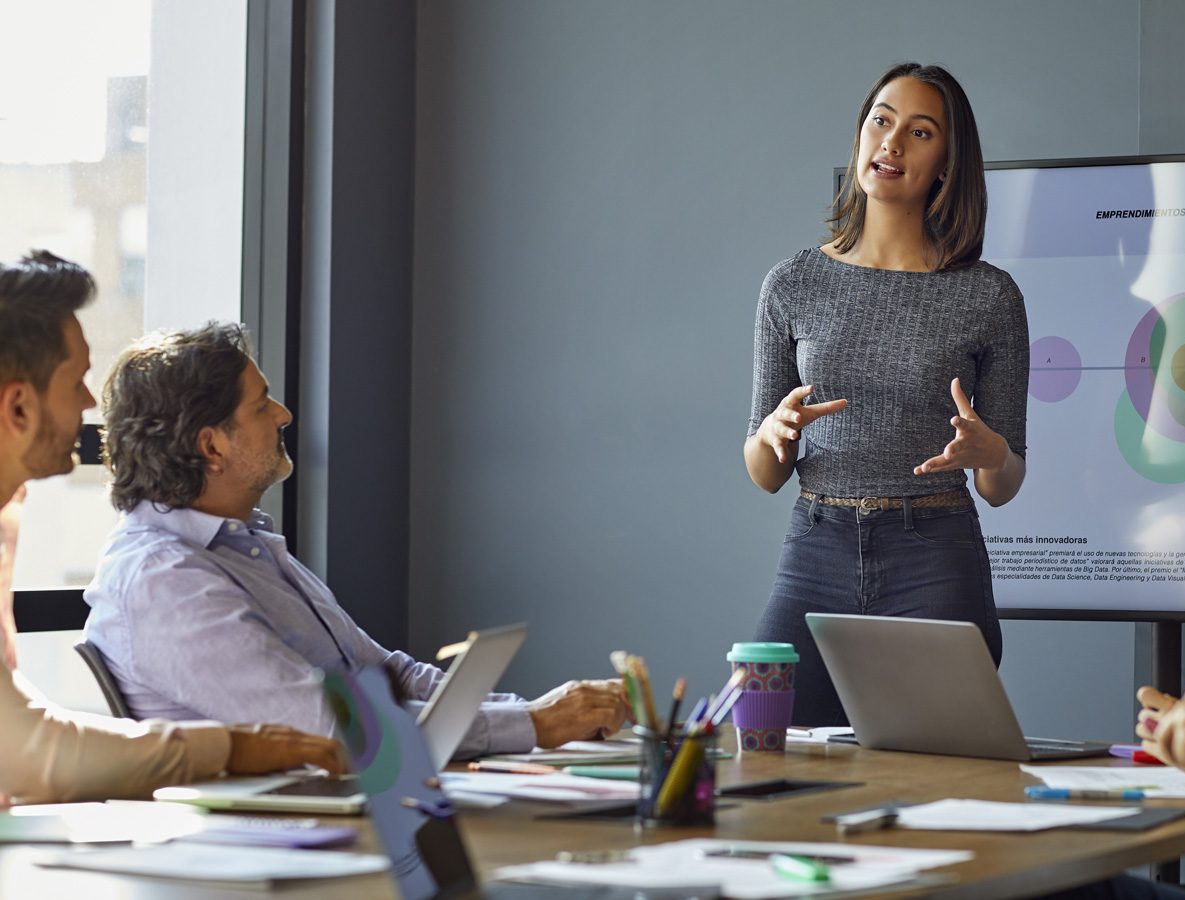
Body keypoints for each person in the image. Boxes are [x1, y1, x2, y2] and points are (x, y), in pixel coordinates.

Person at [83, 323, 630, 756]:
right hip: (284, 839)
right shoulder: (164, 580)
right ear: (212, 447)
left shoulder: (245, 545)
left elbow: (386, 675)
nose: (284, 414)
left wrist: (541, 715)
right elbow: (330, 725)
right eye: (260, 405)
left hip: (366, 801)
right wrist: (533, 724)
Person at [0, 250, 345, 805]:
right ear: (18, 408)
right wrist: (228, 749)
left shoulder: (250, 544)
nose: (91, 405)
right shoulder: (163, 572)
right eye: (76, 382)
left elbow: (24, 735)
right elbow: (31, 756)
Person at [744, 63, 1029, 726]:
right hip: (817, 545)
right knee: (769, 754)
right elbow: (763, 475)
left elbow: (1003, 483)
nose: (892, 142)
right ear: (861, 136)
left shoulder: (989, 295)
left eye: (919, 131)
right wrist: (772, 435)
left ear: (947, 164)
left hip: (933, 552)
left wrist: (991, 451)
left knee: (939, 775)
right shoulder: (792, 284)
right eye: (881, 119)